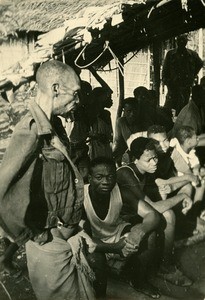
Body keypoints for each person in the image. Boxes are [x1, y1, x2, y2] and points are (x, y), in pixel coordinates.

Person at [0, 60, 97, 300]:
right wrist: (29, 235)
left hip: (63, 242)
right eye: (74, 93)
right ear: (55, 89)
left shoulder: (52, 126)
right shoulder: (32, 130)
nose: (77, 100)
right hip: (48, 249)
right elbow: (2, 188)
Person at [117, 137, 193, 287]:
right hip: (119, 220)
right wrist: (182, 196)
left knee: (168, 214)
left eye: (155, 157)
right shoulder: (126, 173)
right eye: (149, 159)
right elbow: (154, 208)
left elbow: (155, 186)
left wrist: (181, 181)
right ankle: (166, 266)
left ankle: (165, 265)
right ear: (135, 159)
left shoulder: (145, 169)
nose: (154, 162)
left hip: (136, 213)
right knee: (168, 214)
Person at [83, 157, 161, 299]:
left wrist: (139, 231)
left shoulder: (121, 191)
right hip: (92, 241)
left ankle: (139, 281)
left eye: (110, 176)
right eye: (99, 177)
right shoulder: (81, 197)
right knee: (95, 258)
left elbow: (153, 214)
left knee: (149, 235)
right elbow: (85, 240)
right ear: (90, 178)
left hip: (115, 233)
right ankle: (100, 296)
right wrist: (116, 248)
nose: (106, 182)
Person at [162, 34, 203, 115]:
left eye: (183, 41)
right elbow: (165, 70)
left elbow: (200, 63)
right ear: (177, 42)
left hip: (185, 86)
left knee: (184, 109)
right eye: (180, 41)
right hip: (173, 86)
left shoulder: (192, 55)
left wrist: (192, 75)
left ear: (186, 42)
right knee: (168, 108)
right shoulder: (171, 54)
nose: (181, 43)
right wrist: (167, 81)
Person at [113, 97, 147, 166]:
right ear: (124, 111)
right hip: (127, 156)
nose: (132, 114)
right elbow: (118, 141)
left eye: (135, 110)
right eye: (129, 111)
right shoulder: (121, 122)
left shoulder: (144, 123)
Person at [88, 87, 113, 160]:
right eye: (107, 97)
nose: (110, 100)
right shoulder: (91, 114)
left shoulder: (106, 114)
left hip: (105, 147)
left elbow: (109, 134)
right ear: (99, 99)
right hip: (95, 147)